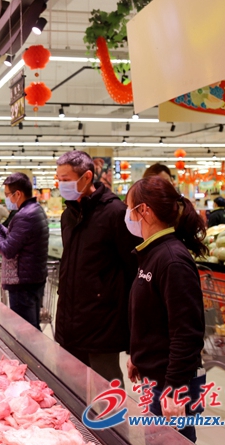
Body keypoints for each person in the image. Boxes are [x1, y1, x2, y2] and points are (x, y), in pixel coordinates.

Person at [125, 176, 206, 443]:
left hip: (170, 382)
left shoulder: (172, 260)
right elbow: (150, 315)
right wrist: (137, 355)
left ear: (144, 210)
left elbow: (187, 333)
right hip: (156, 377)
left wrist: (174, 389)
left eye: (130, 209)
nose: (128, 216)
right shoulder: (152, 253)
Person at [55, 151, 140, 382]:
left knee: (105, 384)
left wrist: (134, 329)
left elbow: (133, 269)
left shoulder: (115, 213)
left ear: (87, 177)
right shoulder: (68, 215)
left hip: (103, 321)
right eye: (59, 180)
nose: (61, 185)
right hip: (69, 317)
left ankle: (112, 410)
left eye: (66, 179)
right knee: (71, 383)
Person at [0, 173, 48, 329]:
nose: (7, 199)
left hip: (22, 283)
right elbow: (17, 239)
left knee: (25, 331)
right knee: (32, 327)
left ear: (18, 194)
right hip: (33, 278)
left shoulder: (24, 216)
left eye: (7, 195)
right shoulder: (35, 210)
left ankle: (29, 347)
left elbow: (7, 250)